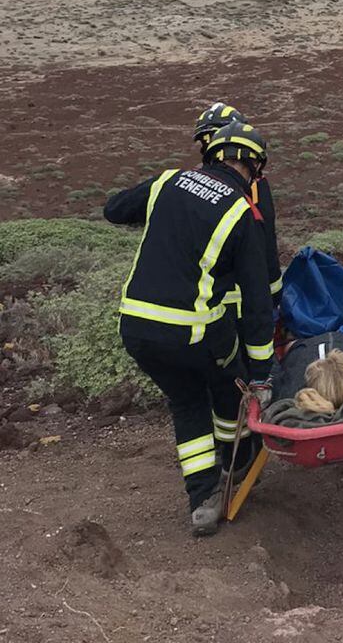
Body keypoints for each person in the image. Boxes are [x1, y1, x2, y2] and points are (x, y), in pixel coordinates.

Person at [104, 121, 276, 538]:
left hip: (138, 328)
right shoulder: (241, 211)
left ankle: (202, 499)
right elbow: (256, 301)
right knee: (229, 388)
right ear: (253, 167)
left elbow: (114, 209)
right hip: (193, 332)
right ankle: (235, 466)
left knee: (185, 401)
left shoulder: (168, 182)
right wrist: (262, 373)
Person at [193, 103, 281, 302]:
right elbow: (265, 241)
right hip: (237, 294)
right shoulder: (254, 185)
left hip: (197, 292)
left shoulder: (189, 181)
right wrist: (274, 291)